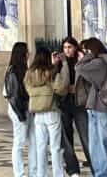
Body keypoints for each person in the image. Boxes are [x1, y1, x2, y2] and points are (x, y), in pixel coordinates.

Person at [75, 38, 107, 177]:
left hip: (98, 107)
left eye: (85, 50)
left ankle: (103, 174)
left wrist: (86, 57)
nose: (82, 53)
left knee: (98, 144)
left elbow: (78, 68)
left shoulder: (98, 63)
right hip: (106, 106)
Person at [26, 48, 69, 177]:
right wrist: (63, 65)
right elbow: (61, 88)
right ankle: (57, 175)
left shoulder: (29, 73)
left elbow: (28, 90)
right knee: (55, 148)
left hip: (37, 113)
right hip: (51, 111)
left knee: (41, 147)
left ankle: (41, 175)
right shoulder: (51, 73)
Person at [60, 37, 91, 175]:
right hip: (64, 102)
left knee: (85, 134)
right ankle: (72, 166)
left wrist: (82, 60)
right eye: (65, 47)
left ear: (75, 47)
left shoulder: (81, 61)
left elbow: (87, 79)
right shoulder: (60, 62)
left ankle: (93, 161)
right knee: (66, 136)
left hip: (79, 102)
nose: (67, 50)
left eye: (70, 47)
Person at [5, 42, 32, 177]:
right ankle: (19, 173)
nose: (29, 54)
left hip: (19, 108)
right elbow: (13, 95)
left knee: (22, 141)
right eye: (27, 51)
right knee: (19, 142)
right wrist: (21, 114)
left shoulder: (15, 69)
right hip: (18, 109)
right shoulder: (15, 71)